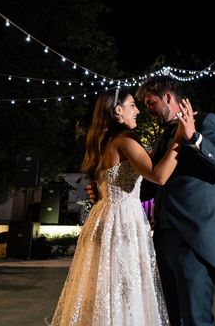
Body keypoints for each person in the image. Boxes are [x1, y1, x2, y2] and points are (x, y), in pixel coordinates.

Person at [49, 88, 194, 326]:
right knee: (126, 287)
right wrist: (180, 135)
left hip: (102, 217)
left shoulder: (100, 142)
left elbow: (102, 187)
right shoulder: (125, 140)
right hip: (124, 220)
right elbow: (159, 176)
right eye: (132, 105)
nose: (137, 111)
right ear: (118, 111)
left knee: (105, 287)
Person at [135, 76, 215, 326]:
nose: (148, 110)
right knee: (173, 318)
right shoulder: (162, 139)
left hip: (195, 241)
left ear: (168, 97)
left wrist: (194, 137)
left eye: (151, 103)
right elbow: (150, 187)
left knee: (196, 319)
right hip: (164, 239)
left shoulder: (206, 121)